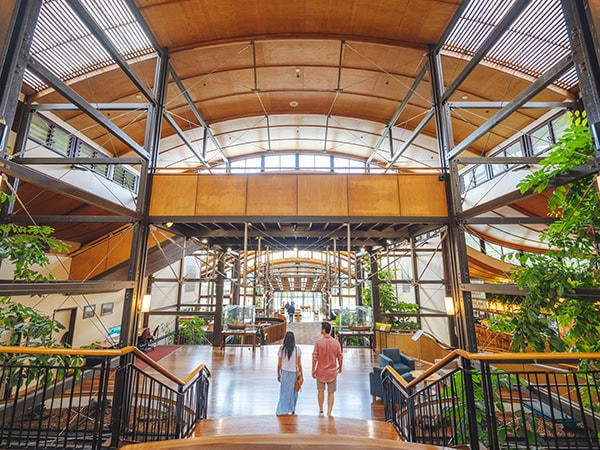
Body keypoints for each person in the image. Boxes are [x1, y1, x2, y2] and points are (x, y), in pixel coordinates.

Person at [312, 321, 342, 416]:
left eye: (321, 328)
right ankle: (329, 412)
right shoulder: (336, 343)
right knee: (331, 392)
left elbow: (315, 357)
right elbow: (340, 356)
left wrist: (313, 369)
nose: (320, 329)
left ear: (324, 330)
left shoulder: (318, 343)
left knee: (320, 391)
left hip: (320, 371)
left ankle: (321, 410)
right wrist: (340, 366)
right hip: (332, 372)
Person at [276, 331, 302, 416]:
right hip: (294, 373)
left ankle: (283, 409)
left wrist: (278, 374)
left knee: (284, 392)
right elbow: (299, 364)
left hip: (284, 372)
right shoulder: (297, 349)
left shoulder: (281, 349)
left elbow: (279, 364)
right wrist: (301, 374)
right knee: (293, 392)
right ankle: (292, 408)